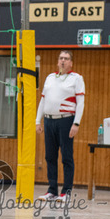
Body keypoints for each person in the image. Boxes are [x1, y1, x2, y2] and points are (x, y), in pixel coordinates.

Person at [35, 50, 85, 203]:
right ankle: (52, 191)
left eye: (66, 58)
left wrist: (76, 123)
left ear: (71, 62)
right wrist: (38, 121)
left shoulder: (76, 79)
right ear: (57, 62)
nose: (63, 61)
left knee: (66, 157)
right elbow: (43, 100)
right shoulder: (50, 78)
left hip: (66, 121)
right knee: (50, 157)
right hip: (49, 121)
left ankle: (66, 192)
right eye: (61, 58)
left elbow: (80, 103)